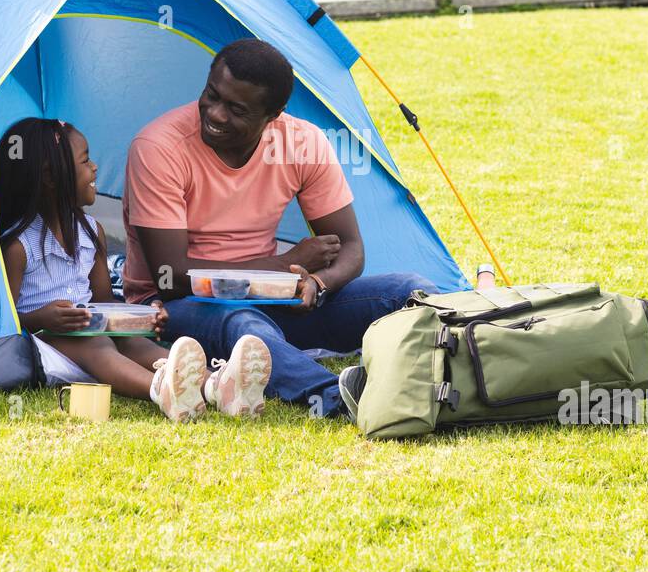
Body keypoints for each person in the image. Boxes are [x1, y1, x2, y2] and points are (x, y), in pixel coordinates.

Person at [121, 39, 437, 418]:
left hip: (278, 301)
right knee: (244, 323)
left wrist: (319, 284)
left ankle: (461, 366)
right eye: (211, 95)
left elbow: (351, 247)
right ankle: (338, 398)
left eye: (236, 109)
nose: (216, 114)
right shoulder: (159, 147)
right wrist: (283, 263)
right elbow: (170, 278)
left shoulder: (301, 142)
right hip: (179, 308)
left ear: (274, 115)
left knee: (405, 291)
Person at [0, 117, 272, 422]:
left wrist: (139, 318)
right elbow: (2, 322)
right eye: (85, 161)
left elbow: (103, 301)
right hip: (44, 344)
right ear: (51, 177)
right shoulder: (19, 246)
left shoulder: (89, 232)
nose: (95, 168)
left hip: (89, 331)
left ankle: (218, 385)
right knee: (96, 341)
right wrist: (41, 318)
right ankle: (161, 390)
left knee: (130, 340)